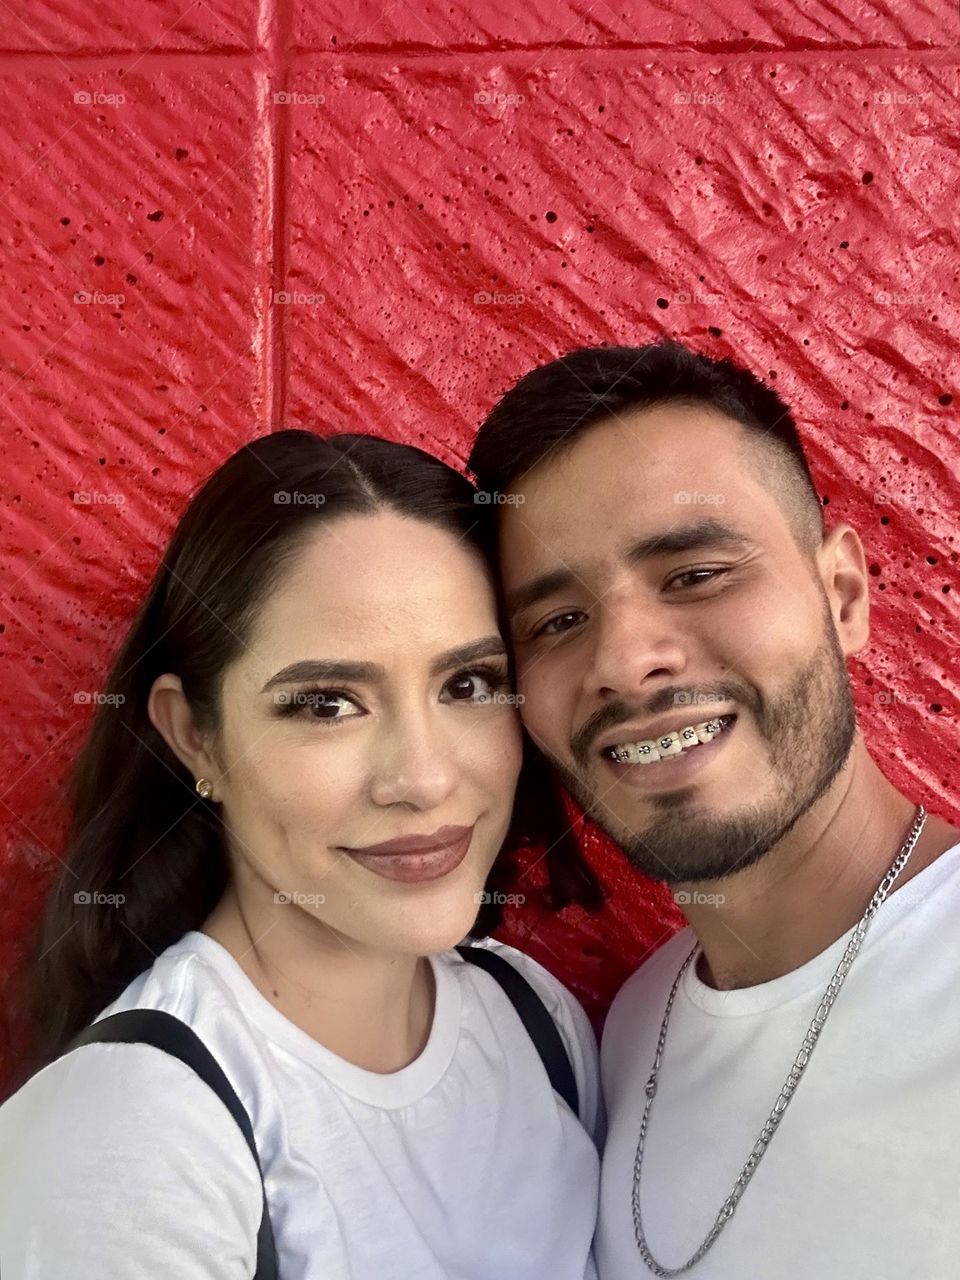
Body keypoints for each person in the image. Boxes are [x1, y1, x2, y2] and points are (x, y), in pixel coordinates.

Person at [0, 430, 604, 1280]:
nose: (424, 779)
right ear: (196, 738)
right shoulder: (132, 1142)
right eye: (326, 703)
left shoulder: (536, 1021)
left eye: (466, 685)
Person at [468, 340, 960, 1278]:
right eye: (558, 621)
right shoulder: (626, 1035)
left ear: (842, 595)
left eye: (695, 574)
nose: (623, 660)